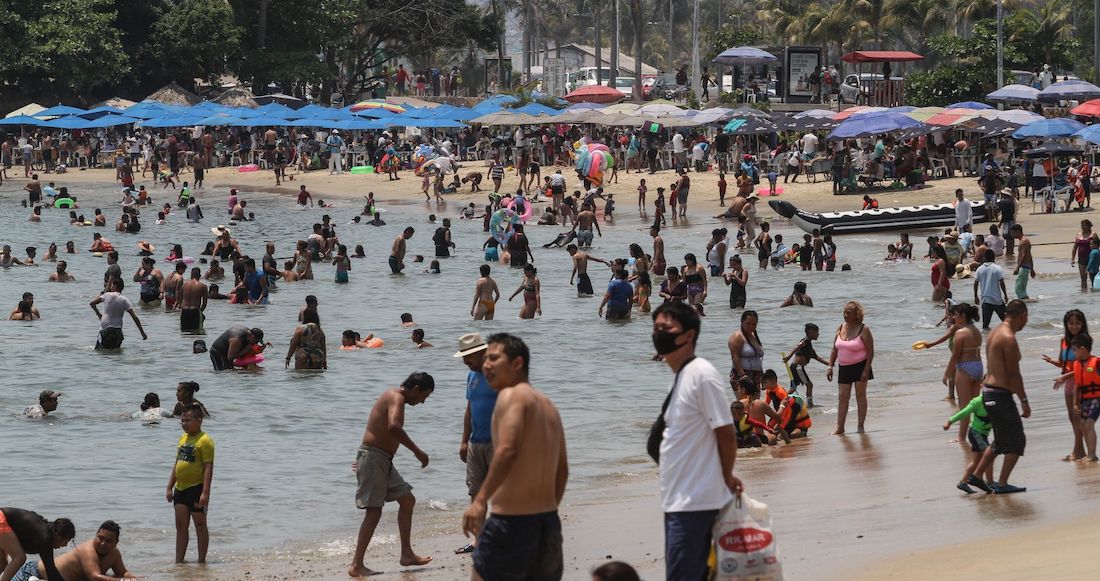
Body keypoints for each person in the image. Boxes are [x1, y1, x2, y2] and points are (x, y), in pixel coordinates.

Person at [462, 333, 568, 581]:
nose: (486, 365)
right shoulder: (548, 406)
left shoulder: (511, 395)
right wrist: (547, 510)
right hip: (548, 524)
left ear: (517, 363)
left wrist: (480, 501)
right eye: (485, 359)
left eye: (494, 359)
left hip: (511, 523)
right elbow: (562, 470)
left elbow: (507, 450)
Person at [649, 302, 742, 580]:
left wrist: (726, 475)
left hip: (695, 503)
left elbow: (726, 432)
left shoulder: (701, 374)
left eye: (666, 327)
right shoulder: (682, 376)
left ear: (688, 335)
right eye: (655, 327)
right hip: (679, 500)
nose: (658, 333)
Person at [349, 372, 435, 577]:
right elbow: (394, 426)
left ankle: (407, 554)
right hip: (374, 458)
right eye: (424, 396)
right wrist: (417, 451)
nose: (423, 402)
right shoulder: (396, 397)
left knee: (407, 500)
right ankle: (356, 565)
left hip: (381, 460)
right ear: (416, 389)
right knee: (374, 511)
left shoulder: (396, 397)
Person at [971, 300, 1031, 493]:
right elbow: (1014, 375)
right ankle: (1002, 484)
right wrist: (1024, 401)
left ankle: (977, 476)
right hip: (999, 395)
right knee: (1017, 441)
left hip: (989, 392)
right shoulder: (1008, 338)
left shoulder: (995, 332)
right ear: (1023, 316)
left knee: (1001, 440)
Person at [453, 333, 498, 554]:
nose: (465, 361)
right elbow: (469, 410)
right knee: (475, 493)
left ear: (482, 353)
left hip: (498, 443)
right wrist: (464, 441)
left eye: (468, 357)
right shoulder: (471, 377)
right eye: (463, 356)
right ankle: (478, 541)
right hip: (475, 443)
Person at [167, 404, 214, 563]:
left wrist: (205, 492)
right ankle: (179, 561)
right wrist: (169, 486)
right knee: (181, 527)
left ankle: (201, 561)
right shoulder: (183, 439)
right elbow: (177, 463)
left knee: (200, 525)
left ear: (199, 420)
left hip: (196, 489)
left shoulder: (205, 440)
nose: (184, 424)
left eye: (188, 420)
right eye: (182, 420)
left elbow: (208, 467)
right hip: (180, 489)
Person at [1043, 310, 1090, 461]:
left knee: (1078, 416)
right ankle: (1080, 450)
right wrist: (1052, 361)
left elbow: (1083, 366)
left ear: (1082, 324)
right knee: (1072, 416)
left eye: (1077, 323)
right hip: (1068, 381)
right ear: (1066, 324)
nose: (1074, 326)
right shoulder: (1063, 341)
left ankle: (1077, 451)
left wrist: (1064, 377)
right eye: (1071, 323)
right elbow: (1063, 363)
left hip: (1079, 381)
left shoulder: (1084, 341)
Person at [826, 301, 874, 434]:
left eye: (848, 313)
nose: (845, 315)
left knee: (860, 396)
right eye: (844, 312)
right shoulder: (840, 327)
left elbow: (870, 352)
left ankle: (860, 426)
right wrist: (830, 366)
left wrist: (866, 370)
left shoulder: (864, 329)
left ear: (857, 314)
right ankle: (840, 428)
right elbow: (834, 349)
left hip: (860, 366)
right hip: (844, 368)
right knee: (842, 397)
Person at [1053, 334, 1100, 462]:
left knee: (1089, 424)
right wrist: (1075, 403)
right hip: (1085, 400)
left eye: (1074, 350)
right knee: (1083, 425)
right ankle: (1089, 454)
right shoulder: (1077, 365)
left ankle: (1092, 454)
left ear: (1083, 349)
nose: (1073, 353)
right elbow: (1077, 386)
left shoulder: (1097, 363)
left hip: (1097, 399)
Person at [944, 303, 984, 441]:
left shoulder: (960, 333)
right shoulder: (976, 331)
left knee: (964, 406)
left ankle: (961, 437)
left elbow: (955, 356)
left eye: (956, 315)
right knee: (974, 405)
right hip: (978, 367)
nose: (954, 317)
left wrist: (947, 374)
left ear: (963, 315)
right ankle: (978, 432)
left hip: (965, 367)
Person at [0, 508, 74, 581]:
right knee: (19, 558)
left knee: (2, 564)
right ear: (59, 536)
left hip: (3, 522)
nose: (65, 545)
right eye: (66, 541)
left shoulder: (42, 535)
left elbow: (50, 569)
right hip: (2, 519)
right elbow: (50, 570)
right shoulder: (44, 537)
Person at [944, 393, 995, 494]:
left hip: (982, 435)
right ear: (982, 386)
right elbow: (964, 412)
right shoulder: (977, 401)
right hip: (976, 434)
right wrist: (950, 421)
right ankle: (990, 483)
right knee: (989, 456)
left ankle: (963, 483)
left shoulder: (995, 400)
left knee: (976, 461)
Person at [90, 277, 147, 350]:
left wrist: (99, 314)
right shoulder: (125, 300)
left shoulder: (106, 295)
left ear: (115, 286)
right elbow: (135, 318)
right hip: (117, 332)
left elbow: (92, 303)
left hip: (105, 331)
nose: (110, 287)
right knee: (116, 352)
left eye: (111, 285)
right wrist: (142, 333)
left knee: (101, 352)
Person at [728, 310, 764, 389]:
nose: (751, 326)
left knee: (756, 397)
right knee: (744, 398)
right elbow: (735, 358)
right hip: (742, 376)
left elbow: (758, 358)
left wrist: (762, 376)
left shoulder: (754, 337)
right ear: (742, 322)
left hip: (756, 375)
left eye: (754, 324)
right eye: (748, 323)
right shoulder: (737, 337)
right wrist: (743, 376)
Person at [974, 249, 1008, 329]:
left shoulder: (979, 269)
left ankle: (987, 336)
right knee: (1007, 322)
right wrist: (1005, 295)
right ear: (994, 258)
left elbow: (976, 283)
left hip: (985, 300)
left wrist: (975, 296)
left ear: (984, 257)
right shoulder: (998, 268)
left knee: (985, 326)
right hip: (997, 300)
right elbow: (1002, 283)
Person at [1010, 224, 1034, 299]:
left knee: (1019, 290)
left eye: (1013, 233)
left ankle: (1026, 303)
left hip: (1023, 267)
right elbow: (1029, 256)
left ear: (1018, 231)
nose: (1012, 235)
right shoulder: (1024, 241)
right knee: (1021, 290)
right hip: (1025, 267)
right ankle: (1027, 302)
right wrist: (1032, 269)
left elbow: (1024, 255)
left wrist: (1017, 267)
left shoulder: (1024, 241)